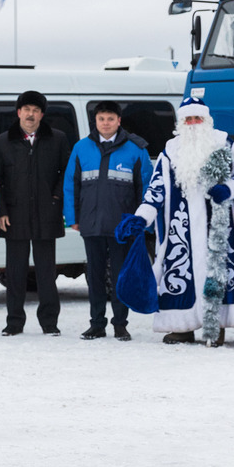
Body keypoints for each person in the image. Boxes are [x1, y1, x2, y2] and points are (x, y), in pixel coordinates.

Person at [120, 97, 234, 345]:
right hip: (181, 228)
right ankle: (182, 326)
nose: (192, 123)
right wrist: (141, 217)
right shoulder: (171, 150)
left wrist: (229, 188)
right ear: (180, 122)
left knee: (218, 272)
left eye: (197, 118)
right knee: (179, 273)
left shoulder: (224, 142)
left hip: (216, 225)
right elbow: (156, 188)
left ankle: (216, 325)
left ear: (206, 120)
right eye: (187, 119)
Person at [63, 102, 151, 341]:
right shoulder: (81, 148)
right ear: (96, 121)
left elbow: (146, 188)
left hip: (122, 227)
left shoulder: (136, 149)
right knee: (95, 276)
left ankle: (120, 324)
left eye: (110, 119)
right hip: (91, 225)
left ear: (119, 121)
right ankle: (97, 324)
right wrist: (73, 218)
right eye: (101, 118)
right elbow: (71, 185)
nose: (106, 123)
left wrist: (140, 221)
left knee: (121, 276)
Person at [0, 90, 71, 336]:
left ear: (42, 115)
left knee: (47, 273)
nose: (31, 114)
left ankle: (49, 322)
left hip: (47, 214)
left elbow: (65, 173)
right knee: (15, 273)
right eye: (26, 110)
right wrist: (1, 211)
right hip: (15, 216)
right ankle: (14, 322)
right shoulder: (3, 142)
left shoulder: (57, 139)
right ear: (18, 113)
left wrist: (56, 198)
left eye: (35, 110)